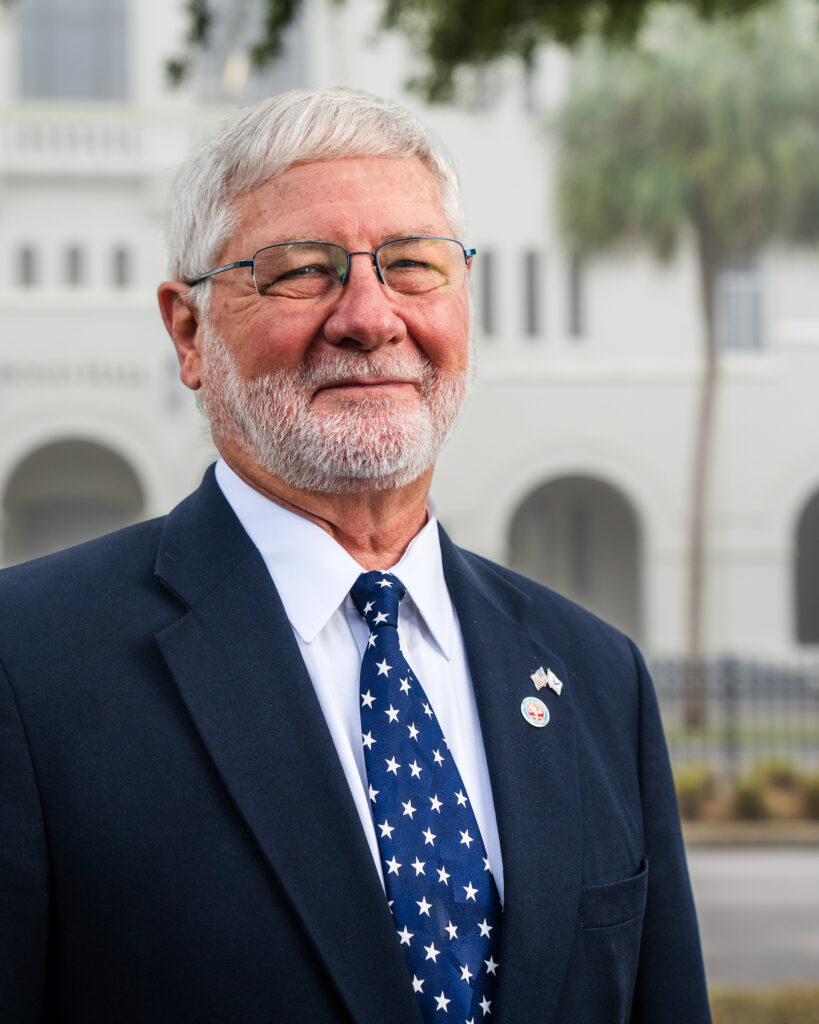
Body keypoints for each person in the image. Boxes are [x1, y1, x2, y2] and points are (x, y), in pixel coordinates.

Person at [0, 89, 711, 1023]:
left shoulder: (593, 674)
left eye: (413, 266)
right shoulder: (27, 662)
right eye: (301, 271)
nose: (370, 318)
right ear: (189, 332)